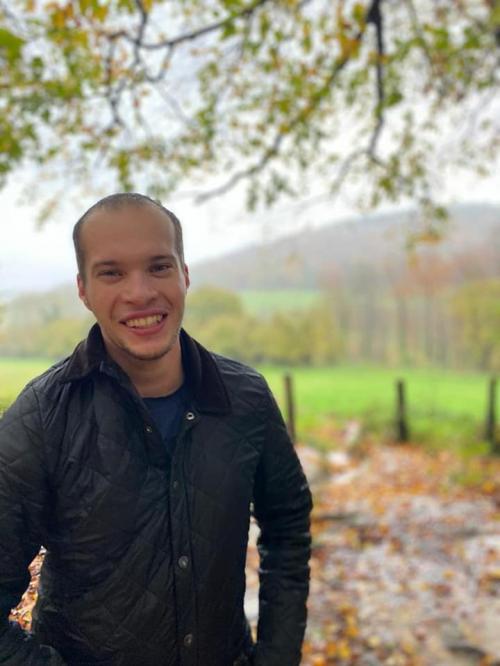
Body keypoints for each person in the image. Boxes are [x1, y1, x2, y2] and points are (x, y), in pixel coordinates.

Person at [0, 193, 313, 666]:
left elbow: (288, 525)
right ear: (83, 289)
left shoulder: (245, 398)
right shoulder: (43, 417)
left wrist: (275, 656)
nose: (140, 292)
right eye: (112, 273)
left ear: (184, 274)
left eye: (159, 267)